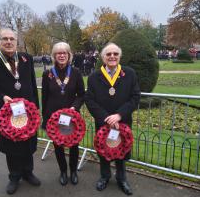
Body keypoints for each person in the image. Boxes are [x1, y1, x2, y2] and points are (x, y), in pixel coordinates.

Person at [0, 28, 40, 195]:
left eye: (12, 39)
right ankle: (14, 176)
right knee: (12, 145)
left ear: (17, 41)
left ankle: (28, 172)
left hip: (27, 113)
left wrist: (36, 108)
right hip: (7, 114)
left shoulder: (26, 58)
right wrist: (2, 97)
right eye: (5, 39)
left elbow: (31, 84)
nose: (9, 42)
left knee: (28, 143)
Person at [85, 43, 140, 195]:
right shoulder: (94, 77)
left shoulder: (129, 74)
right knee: (104, 150)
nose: (112, 56)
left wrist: (119, 115)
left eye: (115, 53)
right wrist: (105, 117)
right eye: (108, 54)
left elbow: (135, 97)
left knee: (121, 151)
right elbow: (89, 100)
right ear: (103, 57)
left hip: (122, 122)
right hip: (103, 122)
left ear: (119, 56)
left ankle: (122, 178)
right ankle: (104, 176)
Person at [41, 42, 85, 186]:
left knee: (74, 146)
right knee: (58, 146)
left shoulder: (76, 72)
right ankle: (63, 171)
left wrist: (74, 108)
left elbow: (81, 95)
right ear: (54, 56)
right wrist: (45, 118)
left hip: (72, 118)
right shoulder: (47, 74)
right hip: (54, 119)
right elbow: (45, 97)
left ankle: (73, 171)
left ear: (69, 55)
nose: (61, 55)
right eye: (58, 53)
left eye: (64, 53)